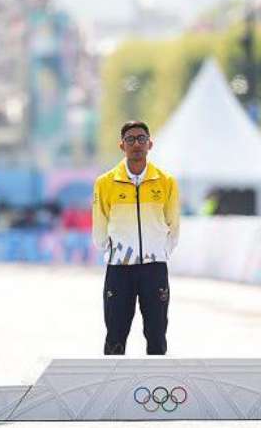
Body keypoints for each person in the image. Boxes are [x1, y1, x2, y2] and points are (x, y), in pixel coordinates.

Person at [92, 120, 180, 355]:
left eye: (142, 139)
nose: (136, 144)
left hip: (154, 268)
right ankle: (113, 389)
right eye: (130, 139)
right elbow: (99, 226)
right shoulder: (105, 183)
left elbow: (174, 225)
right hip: (119, 268)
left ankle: (157, 389)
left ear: (150, 143)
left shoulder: (166, 181)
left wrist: (158, 252)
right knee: (115, 334)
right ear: (122, 145)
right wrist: (112, 252)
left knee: (157, 333)